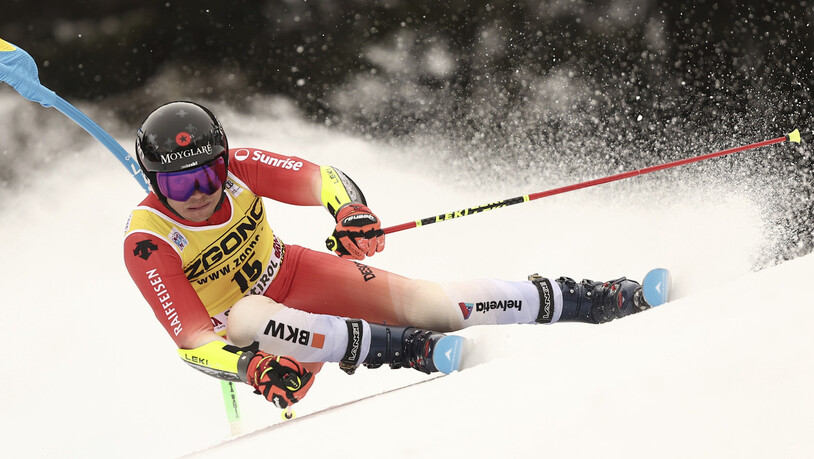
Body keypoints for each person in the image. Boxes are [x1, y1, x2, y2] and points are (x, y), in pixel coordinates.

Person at [123, 101, 653, 410]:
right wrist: (249, 367)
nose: (198, 192)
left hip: (298, 274)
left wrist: (349, 212)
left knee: (436, 305)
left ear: (223, 161)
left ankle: (589, 299)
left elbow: (322, 178)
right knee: (245, 313)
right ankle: (406, 350)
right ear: (153, 181)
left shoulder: (242, 166)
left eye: (208, 174)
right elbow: (192, 342)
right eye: (177, 181)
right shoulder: (147, 241)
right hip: (270, 349)